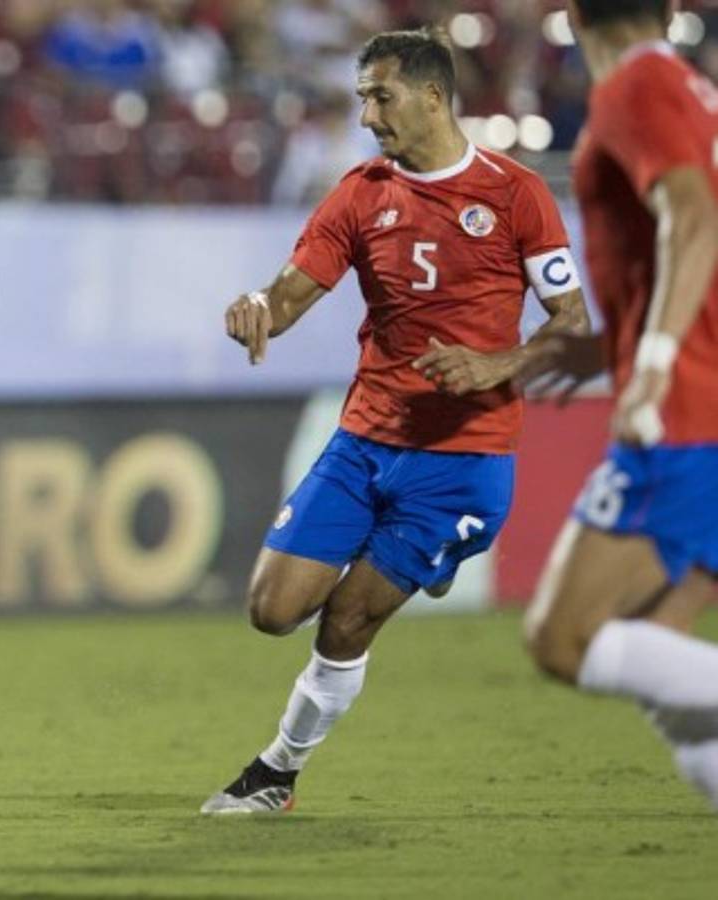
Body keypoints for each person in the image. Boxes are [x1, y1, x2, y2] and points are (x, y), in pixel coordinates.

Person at [202, 28, 590, 814]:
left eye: (380, 97)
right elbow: (285, 296)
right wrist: (254, 310)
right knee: (271, 610)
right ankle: (418, 565)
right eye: (361, 100)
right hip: (362, 442)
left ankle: (276, 772)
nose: (368, 116)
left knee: (346, 621)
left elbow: (570, 322)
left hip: (462, 460)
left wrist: (495, 365)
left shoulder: (514, 194)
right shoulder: (359, 192)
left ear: (432, 96)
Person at [521, 0, 718, 809]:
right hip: (698, 392)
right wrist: (617, 350)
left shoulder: (632, 86)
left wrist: (654, 363)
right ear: (672, 9)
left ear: (568, 14)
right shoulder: (691, 89)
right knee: (660, 662)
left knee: (562, 638)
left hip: (688, 411)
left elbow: (695, 219)